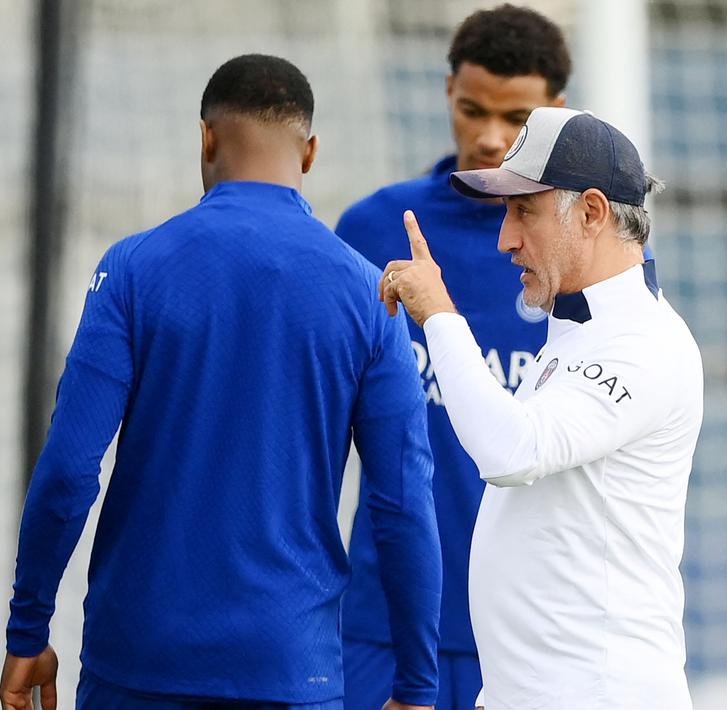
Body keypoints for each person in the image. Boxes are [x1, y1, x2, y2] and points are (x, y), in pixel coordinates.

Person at [0, 55, 440, 710]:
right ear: (310, 151)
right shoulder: (367, 293)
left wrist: (28, 628)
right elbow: (402, 501)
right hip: (292, 671)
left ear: (205, 138)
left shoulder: (132, 269)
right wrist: (415, 686)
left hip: (139, 662)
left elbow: (69, 471)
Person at [380, 106, 703, 710]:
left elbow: (512, 450)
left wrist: (441, 317)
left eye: (524, 210)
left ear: (592, 212)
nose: (505, 237)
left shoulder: (645, 342)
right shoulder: (584, 331)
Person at [334, 6, 569, 709]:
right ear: (447, 94)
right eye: (472, 109)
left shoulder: (588, 250)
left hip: (529, 629)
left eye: (517, 116)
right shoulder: (374, 226)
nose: (490, 137)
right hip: (382, 621)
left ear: (557, 110)